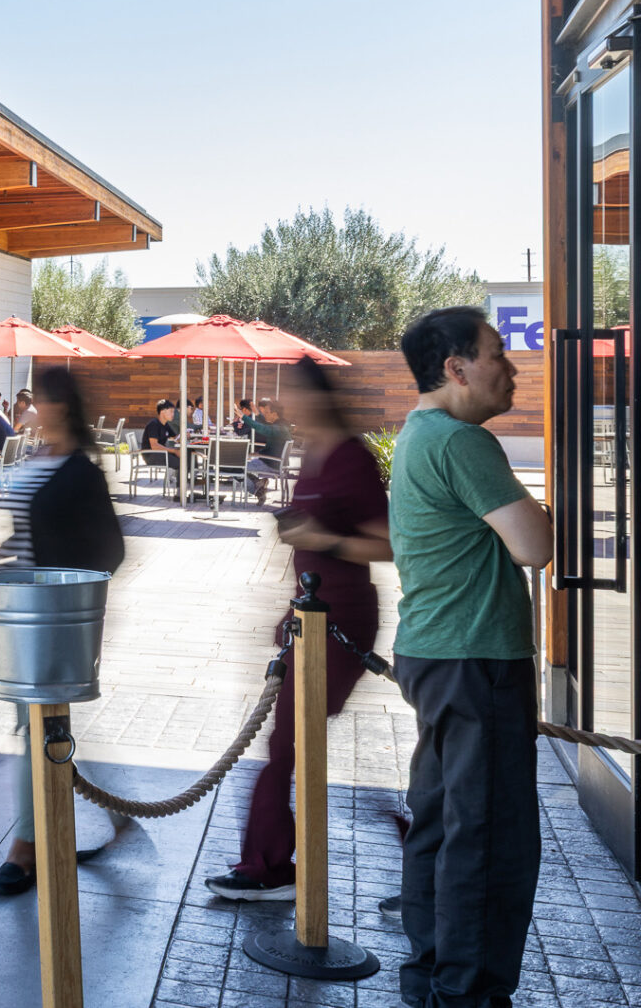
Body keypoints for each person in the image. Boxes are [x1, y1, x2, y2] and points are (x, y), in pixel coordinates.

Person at [386, 306, 550, 1008]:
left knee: (446, 821)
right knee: (491, 836)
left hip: (436, 654)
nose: (511, 368)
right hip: (476, 659)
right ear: (455, 368)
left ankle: (432, 974)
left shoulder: (421, 433)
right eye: (497, 355)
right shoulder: (461, 441)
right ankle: (469, 993)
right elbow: (534, 545)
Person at [206, 358, 389, 901]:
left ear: (319, 398)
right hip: (310, 618)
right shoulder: (313, 454)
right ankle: (278, 860)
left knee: (286, 744)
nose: (286, 406)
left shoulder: (350, 457)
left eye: (295, 396)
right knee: (290, 743)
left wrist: (322, 538)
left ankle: (269, 866)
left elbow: (387, 545)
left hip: (343, 622)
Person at [0, 366, 129, 895]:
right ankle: (116, 814)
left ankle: (27, 848)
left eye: (38, 400)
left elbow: (111, 549)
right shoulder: (36, 459)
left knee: (39, 727)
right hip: (21, 609)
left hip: (52, 616)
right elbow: (24, 535)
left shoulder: (80, 472)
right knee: (47, 728)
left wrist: (62, 592)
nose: (29, 408)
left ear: (60, 407)